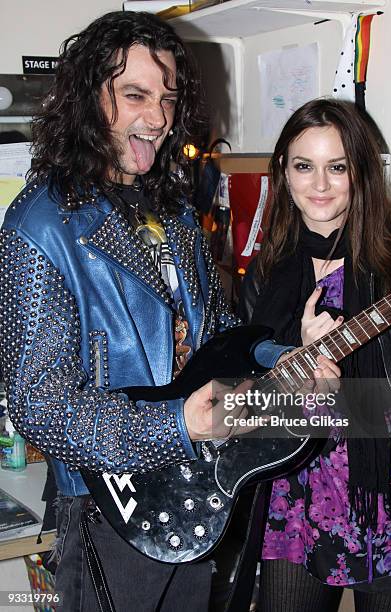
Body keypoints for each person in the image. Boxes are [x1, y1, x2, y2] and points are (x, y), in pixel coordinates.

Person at [0, 11, 288, 611]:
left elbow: (219, 334)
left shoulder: (176, 209)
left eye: (167, 99)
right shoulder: (40, 224)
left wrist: (283, 358)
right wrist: (176, 425)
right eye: (135, 95)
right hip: (109, 506)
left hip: (195, 487)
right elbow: (39, 404)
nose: (157, 119)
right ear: (88, 98)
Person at [239, 98, 391, 612]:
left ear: (361, 171)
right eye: (304, 166)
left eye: (336, 167)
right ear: (284, 172)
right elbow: (241, 396)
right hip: (293, 489)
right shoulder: (270, 264)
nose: (319, 185)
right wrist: (291, 360)